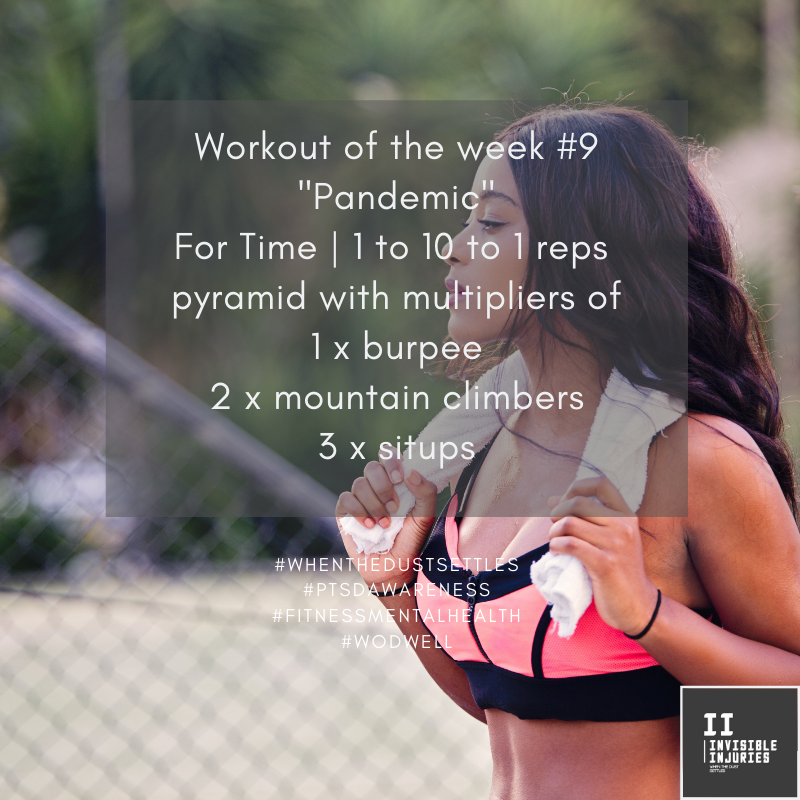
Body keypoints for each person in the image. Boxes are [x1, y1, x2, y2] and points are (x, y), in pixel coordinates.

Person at [335, 105, 800, 800]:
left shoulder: (696, 458)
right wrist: (394, 585)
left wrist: (646, 613)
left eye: (490, 223)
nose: (455, 248)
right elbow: (503, 700)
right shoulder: (473, 451)